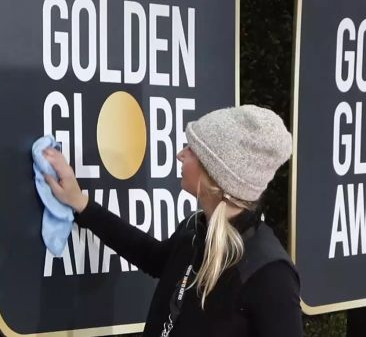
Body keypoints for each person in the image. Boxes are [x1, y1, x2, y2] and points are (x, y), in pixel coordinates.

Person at [43, 105, 302, 337]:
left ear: (216, 173)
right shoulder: (195, 229)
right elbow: (152, 256)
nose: (181, 154)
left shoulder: (270, 274)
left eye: (192, 149)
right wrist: (80, 203)